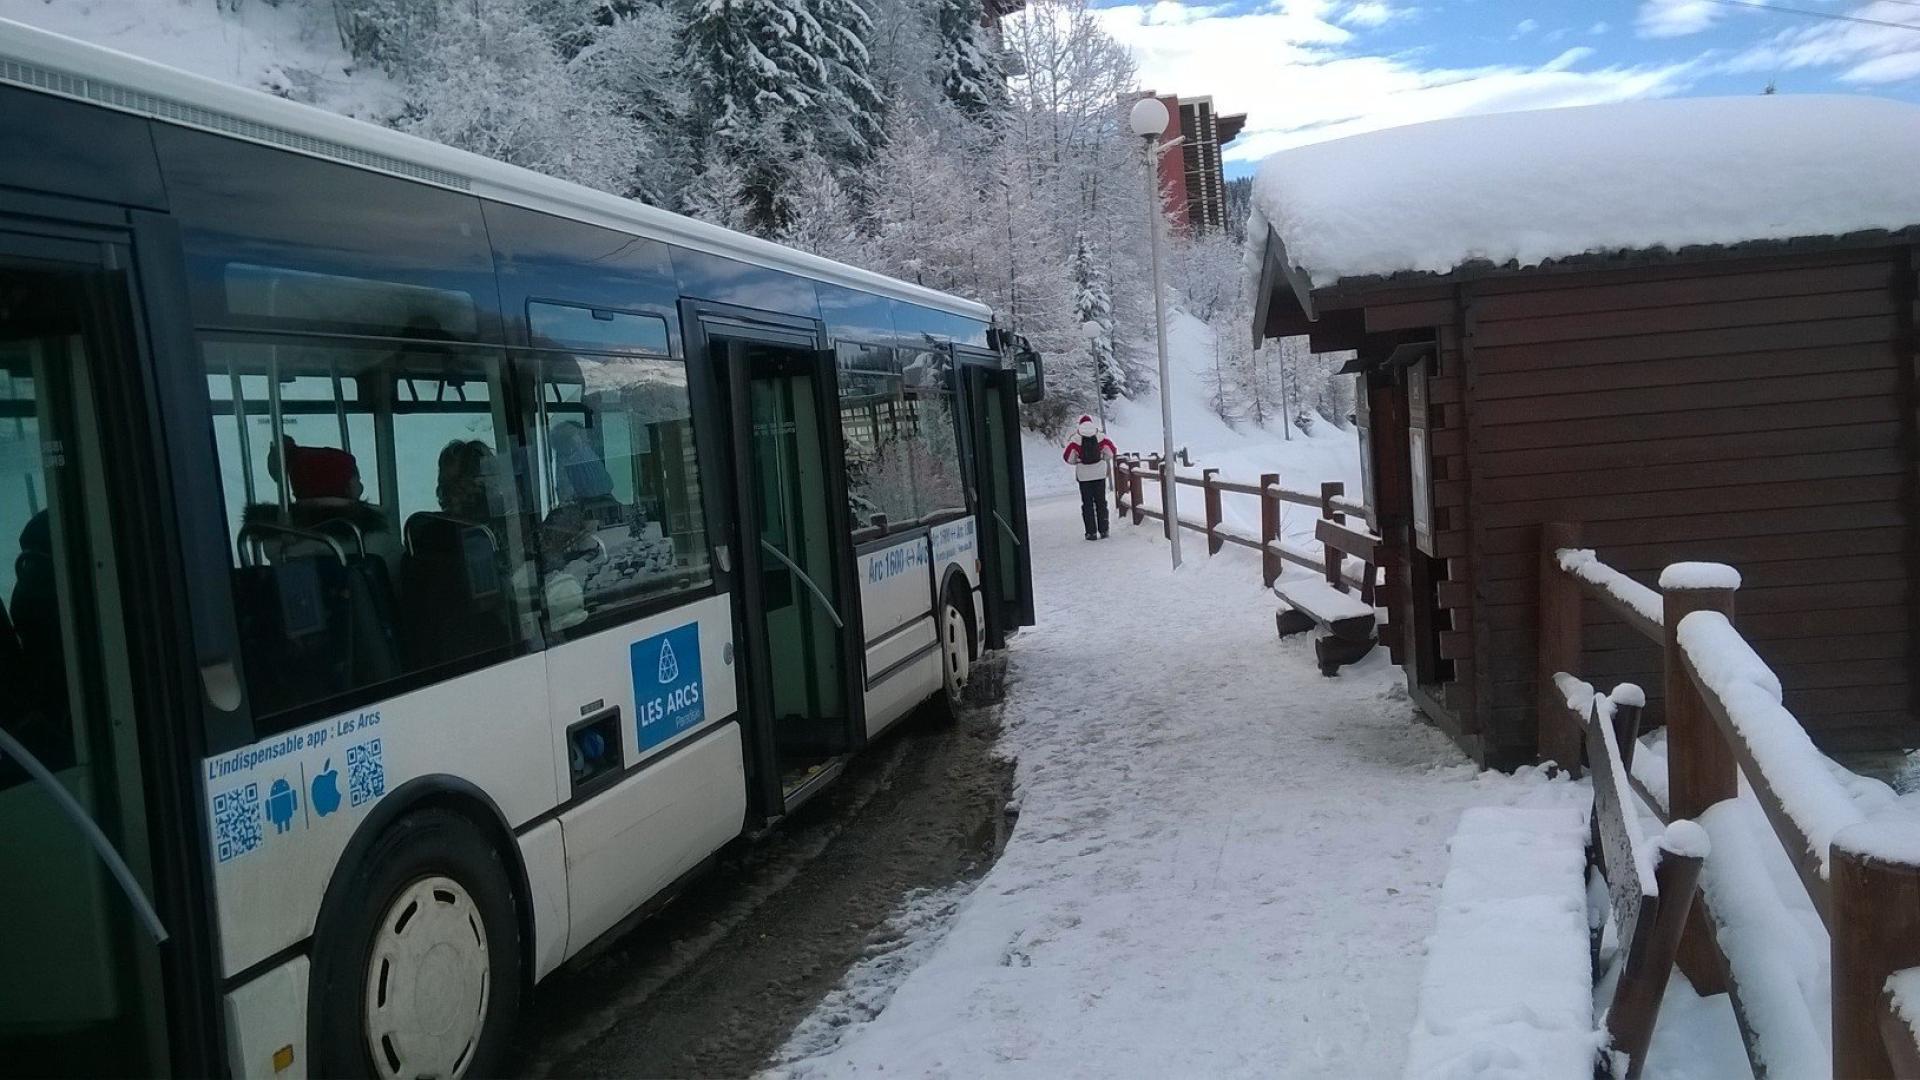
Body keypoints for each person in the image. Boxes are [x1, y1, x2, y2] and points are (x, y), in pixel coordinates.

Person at [1061, 414, 1117, 541]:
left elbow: (1068, 457)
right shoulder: (1100, 437)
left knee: (1087, 504)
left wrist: (1078, 461)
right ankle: (1104, 530)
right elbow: (1111, 451)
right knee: (1101, 502)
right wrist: (1102, 458)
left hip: (1084, 476)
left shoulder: (1076, 439)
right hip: (1099, 474)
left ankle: (1090, 532)